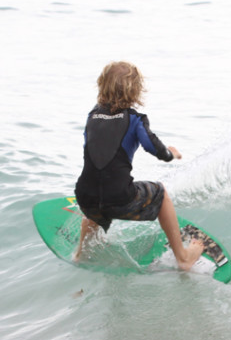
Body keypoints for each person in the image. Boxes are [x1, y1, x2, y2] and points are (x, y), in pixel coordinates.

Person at [74, 62, 204, 269]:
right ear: (135, 90)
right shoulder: (135, 119)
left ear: (102, 86)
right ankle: (183, 258)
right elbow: (155, 149)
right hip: (118, 197)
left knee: (95, 196)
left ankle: (81, 254)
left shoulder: (92, 117)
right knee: (160, 193)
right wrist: (172, 154)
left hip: (84, 195)